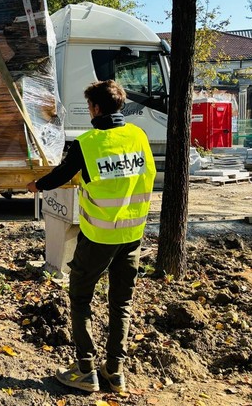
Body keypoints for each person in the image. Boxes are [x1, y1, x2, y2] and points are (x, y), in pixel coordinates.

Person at [27, 80, 156, 394]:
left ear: (96, 108)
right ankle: (115, 370)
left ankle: (86, 369)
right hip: (133, 235)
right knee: (121, 303)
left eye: (89, 107)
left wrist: (37, 185)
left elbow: (62, 174)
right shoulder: (139, 136)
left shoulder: (89, 143)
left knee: (81, 298)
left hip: (100, 237)